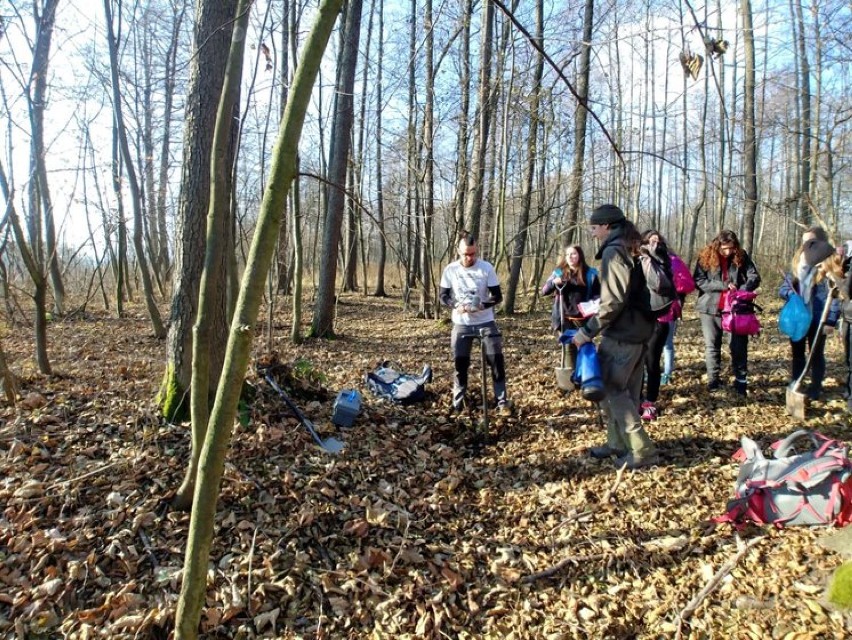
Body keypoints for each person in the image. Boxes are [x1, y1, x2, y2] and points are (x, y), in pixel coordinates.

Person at [572, 204, 659, 469]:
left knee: (612, 389)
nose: (593, 232)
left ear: (607, 226)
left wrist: (587, 332)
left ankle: (642, 449)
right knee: (628, 392)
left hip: (624, 333)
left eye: (595, 227)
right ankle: (617, 443)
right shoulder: (632, 243)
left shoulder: (614, 250)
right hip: (642, 330)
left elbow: (614, 301)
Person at [439, 231, 510, 414]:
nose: (469, 258)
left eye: (472, 254)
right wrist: (456, 305)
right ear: (458, 251)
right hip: (461, 323)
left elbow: (498, 296)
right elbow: (443, 296)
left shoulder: (486, 268)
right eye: (465, 254)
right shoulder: (451, 269)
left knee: (496, 360)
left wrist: (483, 306)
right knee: (460, 364)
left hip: (485, 322)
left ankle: (502, 402)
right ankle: (458, 402)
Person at [693, 229, 761, 396]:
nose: (728, 251)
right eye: (724, 248)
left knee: (738, 345)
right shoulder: (706, 257)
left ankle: (740, 381)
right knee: (712, 345)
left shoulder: (741, 256)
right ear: (718, 245)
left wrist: (742, 290)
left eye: (731, 248)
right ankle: (713, 381)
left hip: (736, 309)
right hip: (710, 307)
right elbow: (699, 281)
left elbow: (754, 276)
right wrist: (723, 286)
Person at [779, 227, 841, 400]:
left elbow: (835, 297)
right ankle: (797, 383)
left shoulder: (827, 265)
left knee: (816, 354)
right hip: (798, 319)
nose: (807, 245)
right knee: (797, 354)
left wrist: (830, 321)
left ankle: (815, 387)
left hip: (818, 319)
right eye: (805, 241)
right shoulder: (796, 265)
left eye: (811, 241)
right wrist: (790, 293)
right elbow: (783, 289)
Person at [540, 244, 600, 380]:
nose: (571, 257)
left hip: (584, 318)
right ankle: (571, 379)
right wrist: (553, 283)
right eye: (568, 255)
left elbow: (598, 294)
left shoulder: (590, 273)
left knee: (584, 347)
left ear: (580, 255)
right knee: (568, 349)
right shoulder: (559, 272)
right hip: (564, 318)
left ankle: (586, 377)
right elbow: (544, 291)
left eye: (573, 254)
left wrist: (594, 304)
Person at [638, 230, 675, 421]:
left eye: (658, 241)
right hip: (639, 319)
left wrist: (656, 258)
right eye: (651, 241)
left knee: (652, 362)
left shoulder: (666, 260)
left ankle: (650, 402)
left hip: (660, 319)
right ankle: (636, 398)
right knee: (636, 362)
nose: (655, 244)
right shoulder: (638, 259)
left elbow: (662, 285)